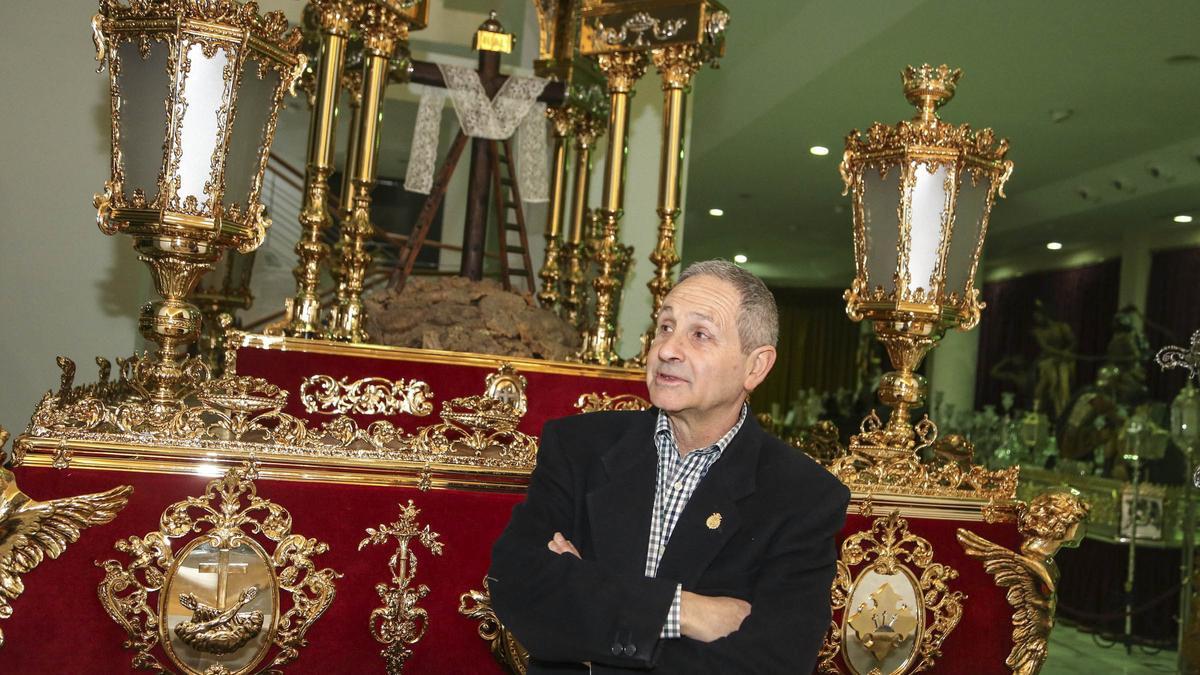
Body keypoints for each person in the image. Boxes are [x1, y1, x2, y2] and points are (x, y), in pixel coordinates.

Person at [488, 260, 851, 673]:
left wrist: (588, 595)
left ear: (756, 366)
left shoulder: (802, 495)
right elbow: (517, 584)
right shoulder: (578, 447)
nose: (666, 350)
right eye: (664, 327)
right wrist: (681, 611)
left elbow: (771, 661)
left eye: (700, 335)